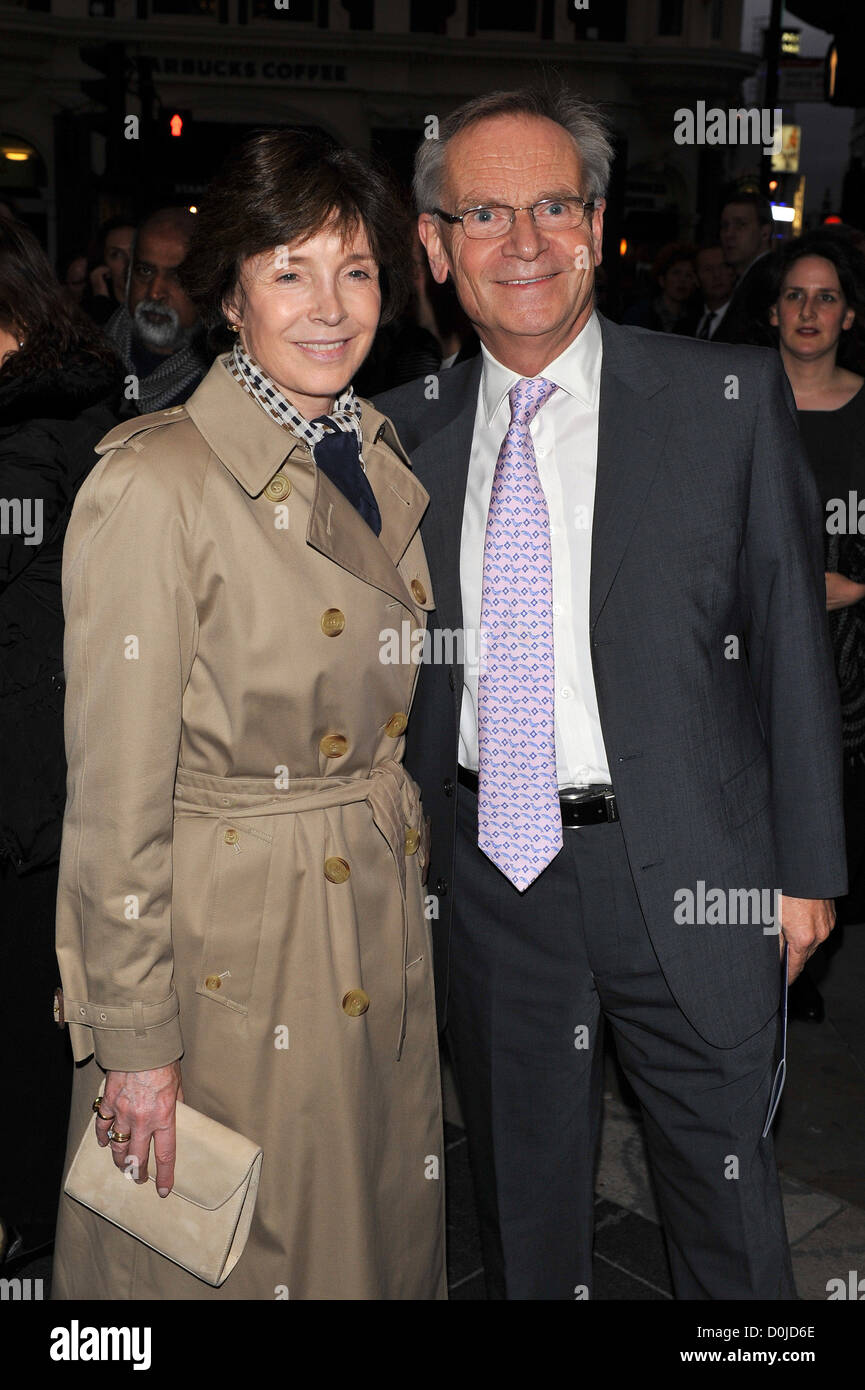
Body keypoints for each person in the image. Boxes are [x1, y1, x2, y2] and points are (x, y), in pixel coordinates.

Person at [377, 84, 845, 1300]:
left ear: (595, 227)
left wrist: (807, 871)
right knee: (523, 1216)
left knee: (729, 1219)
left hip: (693, 868)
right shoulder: (391, 438)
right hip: (489, 881)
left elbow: (793, 644)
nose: (522, 244)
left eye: (552, 207)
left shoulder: (725, 403)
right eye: (483, 214)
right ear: (434, 246)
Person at [51, 128, 446, 1301]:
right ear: (229, 296)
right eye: (289, 270)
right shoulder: (155, 481)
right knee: (236, 1255)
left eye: (356, 269)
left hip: (365, 909)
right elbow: (113, 794)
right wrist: (134, 1044)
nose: (330, 307)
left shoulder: (368, 450)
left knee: (358, 1238)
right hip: (235, 954)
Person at [0, 219, 123, 1267]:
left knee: (28, 1025)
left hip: (31, 785)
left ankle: (34, 1243)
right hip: (35, 777)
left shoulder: (45, 419)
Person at [769, 231, 865, 938]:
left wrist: (857, 592)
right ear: (771, 311)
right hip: (743, 647)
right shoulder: (730, 402)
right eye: (794, 295)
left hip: (849, 657)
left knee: (833, 807)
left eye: (825, 297)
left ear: (848, 317)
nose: (809, 310)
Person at [104, 206, 210, 416]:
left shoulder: (228, 383)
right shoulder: (88, 359)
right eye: (145, 271)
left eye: (177, 277)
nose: (155, 292)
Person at [713, 191, 776, 346]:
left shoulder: (767, 281)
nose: (729, 234)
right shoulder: (753, 277)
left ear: (764, 233)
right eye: (724, 226)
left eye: (740, 225)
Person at [621, 242, 698, 334]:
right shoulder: (639, 315)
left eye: (688, 275)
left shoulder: (697, 321)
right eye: (676, 273)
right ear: (662, 280)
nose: (682, 280)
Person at [84, 216, 136, 327]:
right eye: (116, 254)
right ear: (103, 264)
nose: (129, 261)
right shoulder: (85, 316)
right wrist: (101, 300)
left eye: (134, 251)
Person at [692, 241, 737, 340]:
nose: (716, 275)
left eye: (723, 267)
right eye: (708, 269)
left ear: (733, 272)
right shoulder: (687, 323)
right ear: (696, 279)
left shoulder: (747, 321)